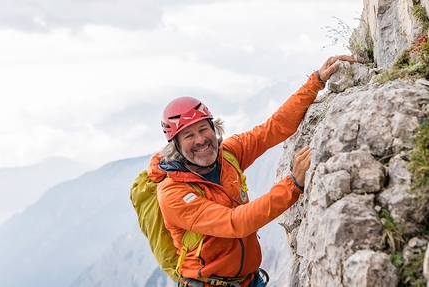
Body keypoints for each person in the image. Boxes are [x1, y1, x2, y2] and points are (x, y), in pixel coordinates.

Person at [147, 55, 357, 287]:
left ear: (213, 127)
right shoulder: (174, 193)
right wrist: (293, 185)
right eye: (188, 135)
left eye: (203, 129)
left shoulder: (226, 154)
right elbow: (235, 222)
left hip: (250, 280)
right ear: (175, 145)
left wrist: (315, 81)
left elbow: (272, 129)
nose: (200, 140)